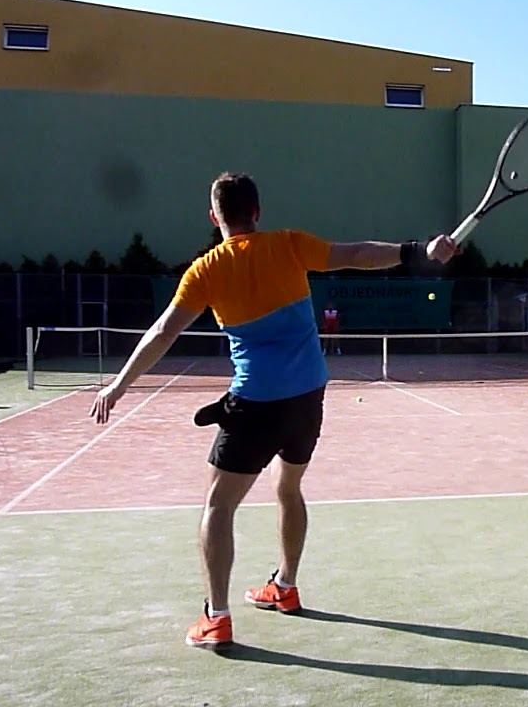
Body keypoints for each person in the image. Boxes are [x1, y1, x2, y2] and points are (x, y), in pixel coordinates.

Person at [89, 172, 458, 650]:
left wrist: (119, 385)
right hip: (308, 398)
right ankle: (285, 587)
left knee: (218, 505)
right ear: (257, 212)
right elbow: (357, 254)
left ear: (214, 217)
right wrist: (418, 251)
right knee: (288, 488)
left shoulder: (205, 271)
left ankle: (216, 617)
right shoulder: (288, 245)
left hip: (256, 404)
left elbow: (163, 333)